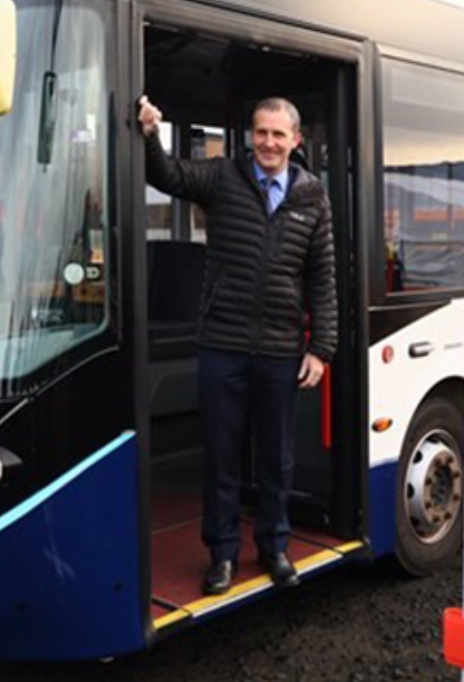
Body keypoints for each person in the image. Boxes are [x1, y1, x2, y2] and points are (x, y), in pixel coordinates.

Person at [137, 95, 337, 595]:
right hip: (221, 345)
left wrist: (322, 348)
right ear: (252, 135)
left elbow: (323, 278)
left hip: (280, 349)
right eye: (261, 132)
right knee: (222, 457)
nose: (268, 142)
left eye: (278, 134)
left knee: (277, 457)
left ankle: (274, 547)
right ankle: (222, 555)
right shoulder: (224, 177)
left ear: (296, 140)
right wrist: (148, 134)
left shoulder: (312, 197)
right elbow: (168, 177)